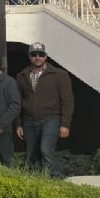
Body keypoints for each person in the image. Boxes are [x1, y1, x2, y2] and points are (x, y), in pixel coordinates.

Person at [16, 42, 74, 178]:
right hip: (28, 120)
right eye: (34, 54)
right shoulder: (21, 75)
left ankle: (58, 179)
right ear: (29, 57)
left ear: (46, 56)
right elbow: (18, 101)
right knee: (32, 154)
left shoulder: (59, 74)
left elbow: (67, 101)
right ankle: (37, 182)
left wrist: (65, 124)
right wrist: (18, 124)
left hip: (50, 118)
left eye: (41, 54)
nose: (37, 57)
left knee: (46, 150)